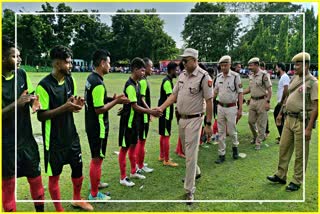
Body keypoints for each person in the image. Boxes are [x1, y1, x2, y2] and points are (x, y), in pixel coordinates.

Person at [36, 45, 93, 211]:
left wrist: (77, 104)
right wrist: (65, 108)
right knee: (54, 177)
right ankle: (59, 209)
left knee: (78, 168)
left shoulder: (70, 79)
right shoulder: (43, 86)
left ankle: (77, 199)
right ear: (57, 64)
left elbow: (71, 104)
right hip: (54, 140)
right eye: (67, 63)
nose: (71, 65)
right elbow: (41, 115)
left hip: (71, 135)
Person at [158, 48, 213, 205]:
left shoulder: (204, 77)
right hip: (181, 119)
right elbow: (174, 95)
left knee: (190, 153)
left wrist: (208, 124)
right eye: (183, 60)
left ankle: (189, 190)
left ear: (195, 60)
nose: (183, 62)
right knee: (187, 150)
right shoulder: (182, 75)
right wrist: (161, 108)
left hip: (195, 119)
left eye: (186, 60)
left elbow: (209, 101)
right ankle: (196, 172)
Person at [2, 36, 44, 212]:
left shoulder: (22, 74)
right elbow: (19, 101)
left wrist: (34, 102)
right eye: (14, 56)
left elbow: (29, 94)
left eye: (19, 55)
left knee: (37, 181)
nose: (19, 59)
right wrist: (17, 103)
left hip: (26, 139)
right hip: (6, 144)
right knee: (9, 187)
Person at [267, 52, 318, 191]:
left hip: (302, 121)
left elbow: (315, 107)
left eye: (298, 64)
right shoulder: (295, 78)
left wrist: (308, 128)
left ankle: (297, 180)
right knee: (283, 148)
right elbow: (288, 96)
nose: (295, 67)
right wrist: (281, 113)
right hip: (288, 118)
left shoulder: (313, 83)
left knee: (300, 153)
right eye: (294, 64)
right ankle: (281, 174)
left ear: (306, 65)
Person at [85, 50, 129, 200]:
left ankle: (95, 184)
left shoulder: (92, 78)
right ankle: (94, 194)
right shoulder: (97, 82)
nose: (110, 66)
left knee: (98, 158)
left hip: (92, 125)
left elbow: (99, 99)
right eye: (109, 63)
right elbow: (99, 109)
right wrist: (116, 101)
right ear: (102, 63)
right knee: (97, 159)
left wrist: (113, 98)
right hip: (98, 126)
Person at [118, 57, 162, 187]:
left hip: (135, 122)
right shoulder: (130, 85)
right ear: (135, 70)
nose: (143, 73)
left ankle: (133, 171)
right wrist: (151, 112)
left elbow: (132, 103)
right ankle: (122, 177)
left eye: (144, 71)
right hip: (128, 123)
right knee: (124, 149)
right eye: (142, 71)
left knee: (133, 146)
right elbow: (135, 106)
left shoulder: (136, 84)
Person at [213, 56, 243, 164]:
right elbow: (215, 92)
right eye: (221, 65)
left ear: (230, 65)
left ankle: (235, 148)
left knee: (232, 131)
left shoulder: (235, 76)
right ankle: (221, 154)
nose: (223, 67)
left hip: (231, 107)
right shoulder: (219, 77)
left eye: (225, 65)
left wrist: (240, 109)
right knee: (220, 132)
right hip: (220, 107)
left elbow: (240, 93)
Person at [243, 57, 272, 150]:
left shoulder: (264, 75)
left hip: (262, 101)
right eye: (249, 65)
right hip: (252, 101)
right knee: (250, 121)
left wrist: (267, 102)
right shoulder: (251, 75)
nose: (249, 67)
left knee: (261, 123)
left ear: (256, 65)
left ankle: (258, 142)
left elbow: (270, 90)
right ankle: (256, 136)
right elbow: (250, 89)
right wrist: (241, 92)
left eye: (251, 65)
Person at [158, 61, 179, 167]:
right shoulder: (167, 81)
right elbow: (170, 98)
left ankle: (162, 155)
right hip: (166, 113)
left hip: (164, 112)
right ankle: (166, 160)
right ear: (171, 70)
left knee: (163, 134)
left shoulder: (168, 80)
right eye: (176, 70)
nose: (177, 71)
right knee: (166, 135)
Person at [135, 58, 155, 173]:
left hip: (143, 115)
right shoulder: (142, 81)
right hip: (142, 116)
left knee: (142, 141)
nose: (152, 69)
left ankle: (140, 163)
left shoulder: (143, 80)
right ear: (145, 67)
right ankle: (140, 165)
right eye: (151, 67)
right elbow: (141, 99)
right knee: (141, 141)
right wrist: (150, 112)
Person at [273, 62, 290, 144]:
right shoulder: (283, 77)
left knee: (278, 118)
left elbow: (286, 90)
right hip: (281, 102)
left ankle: (283, 138)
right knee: (280, 119)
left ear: (280, 68)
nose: (275, 69)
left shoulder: (285, 77)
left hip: (282, 102)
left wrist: (283, 100)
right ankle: (282, 137)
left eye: (276, 68)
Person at [260, 61, 270, 138]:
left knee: (264, 116)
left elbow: (268, 88)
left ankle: (266, 131)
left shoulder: (265, 75)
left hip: (264, 97)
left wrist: (267, 99)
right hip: (261, 97)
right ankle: (262, 131)